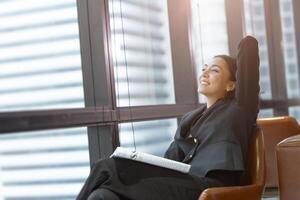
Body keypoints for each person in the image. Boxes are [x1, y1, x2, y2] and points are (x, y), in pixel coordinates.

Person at [77, 36, 260, 200]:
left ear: (231, 85)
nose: (204, 73)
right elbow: (169, 162)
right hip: (183, 183)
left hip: (212, 187)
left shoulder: (240, 108)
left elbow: (249, 49)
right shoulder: (190, 119)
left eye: (214, 70)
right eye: (204, 69)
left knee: (106, 167)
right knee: (102, 195)